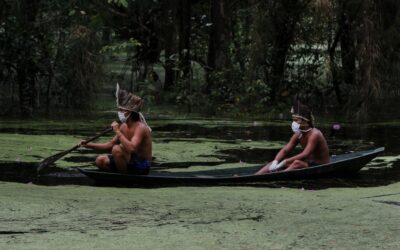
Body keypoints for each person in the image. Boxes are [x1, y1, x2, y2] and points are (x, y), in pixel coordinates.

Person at [80, 84, 152, 175]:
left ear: (129, 112)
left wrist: (117, 131)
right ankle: (121, 173)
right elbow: (110, 144)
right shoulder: (123, 126)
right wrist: (88, 144)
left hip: (142, 165)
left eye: (121, 110)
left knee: (117, 149)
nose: (119, 112)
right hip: (129, 161)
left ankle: (125, 179)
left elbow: (132, 148)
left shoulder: (140, 127)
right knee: (100, 160)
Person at [256, 102, 329, 175]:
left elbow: (305, 154)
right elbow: (285, 150)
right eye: (293, 120)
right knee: (273, 163)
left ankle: (277, 176)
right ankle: (256, 176)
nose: (294, 123)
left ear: (305, 120)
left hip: (319, 165)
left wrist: (285, 162)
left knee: (297, 163)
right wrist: (276, 161)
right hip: (307, 163)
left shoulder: (315, 134)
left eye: (296, 120)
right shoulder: (298, 134)